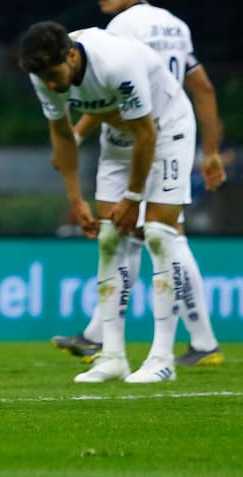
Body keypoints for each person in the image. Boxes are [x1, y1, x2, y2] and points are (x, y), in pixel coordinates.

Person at [52, 0, 226, 366]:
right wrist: (211, 150)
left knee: (142, 235)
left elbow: (117, 93)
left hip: (141, 138)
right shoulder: (175, 26)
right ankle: (111, 335)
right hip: (172, 134)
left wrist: (78, 132)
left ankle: (184, 342)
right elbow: (201, 86)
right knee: (157, 235)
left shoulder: (120, 28)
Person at [19, 21, 195, 384]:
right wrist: (76, 200)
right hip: (118, 136)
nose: (50, 85)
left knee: (159, 235)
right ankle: (113, 357)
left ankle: (162, 359)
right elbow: (62, 134)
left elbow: (146, 132)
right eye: (44, 79)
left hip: (166, 130)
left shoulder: (116, 62)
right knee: (110, 239)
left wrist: (133, 197)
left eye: (54, 76)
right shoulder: (44, 75)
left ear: (71, 55)